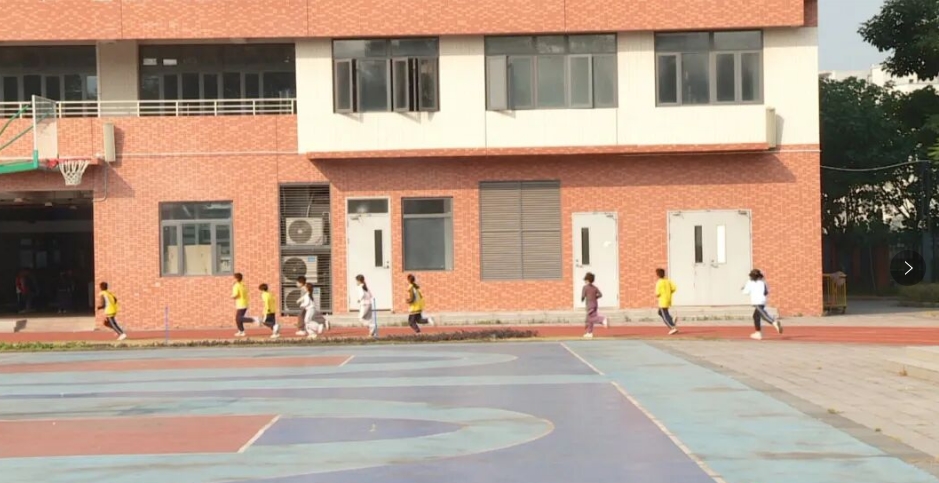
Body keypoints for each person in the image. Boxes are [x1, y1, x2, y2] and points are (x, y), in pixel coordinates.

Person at [742, 269, 783, 340]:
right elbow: (767, 291)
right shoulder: (763, 282)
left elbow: (746, 292)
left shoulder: (750, 282)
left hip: (756, 301)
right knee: (756, 316)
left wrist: (743, 288)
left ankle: (774, 322)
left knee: (763, 315)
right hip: (763, 301)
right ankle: (758, 333)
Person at [581, 272, 609, 339]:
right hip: (595, 305)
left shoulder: (585, 287)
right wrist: (595, 297)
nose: (585, 281)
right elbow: (600, 294)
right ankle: (589, 333)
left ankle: (602, 319)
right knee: (590, 318)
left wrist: (582, 299)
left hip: (589, 305)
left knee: (590, 319)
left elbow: (583, 296)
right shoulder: (595, 288)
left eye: (585, 280)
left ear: (588, 280)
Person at [654, 268, 679, 335]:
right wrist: (668, 292)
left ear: (658, 275)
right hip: (668, 300)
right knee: (660, 312)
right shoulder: (667, 281)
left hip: (662, 301)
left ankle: (672, 328)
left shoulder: (659, 282)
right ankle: (672, 319)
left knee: (665, 316)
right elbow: (674, 288)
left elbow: (657, 294)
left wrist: (659, 295)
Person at [231, 273, 256, 337]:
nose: (233, 279)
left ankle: (254, 319)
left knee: (239, 318)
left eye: (234, 278)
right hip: (245, 302)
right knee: (238, 318)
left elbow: (236, 295)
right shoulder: (243, 284)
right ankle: (241, 331)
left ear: (236, 278)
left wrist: (232, 297)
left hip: (240, 303)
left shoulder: (236, 285)